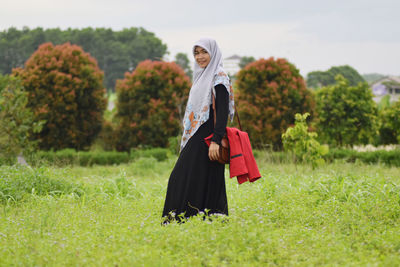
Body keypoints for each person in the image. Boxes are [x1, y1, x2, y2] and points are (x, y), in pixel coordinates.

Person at [162, 37, 235, 223]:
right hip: (198, 134)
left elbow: (223, 110)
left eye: (204, 52)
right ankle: (200, 219)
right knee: (200, 177)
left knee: (182, 176)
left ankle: (182, 218)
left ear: (213, 53)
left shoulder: (219, 76)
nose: (200, 57)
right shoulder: (202, 75)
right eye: (196, 53)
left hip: (209, 137)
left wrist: (216, 141)